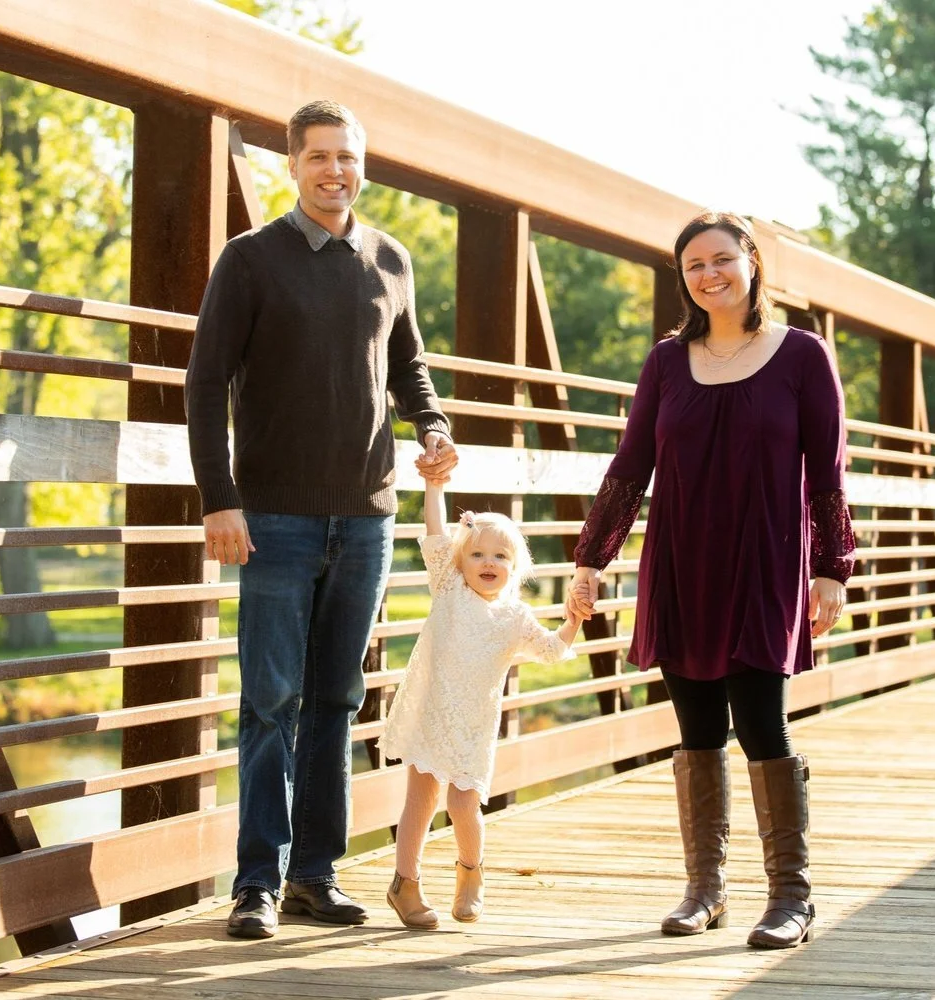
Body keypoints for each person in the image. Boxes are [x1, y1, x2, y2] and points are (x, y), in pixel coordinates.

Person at [185, 99, 459, 941]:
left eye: (347, 157)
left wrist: (434, 423)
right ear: (291, 166)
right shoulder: (250, 260)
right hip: (272, 519)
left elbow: (407, 363)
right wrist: (219, 498)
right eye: (318, 158)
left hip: (365, 519)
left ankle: (315, 875)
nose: (334, 170)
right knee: (270, 700)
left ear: (362, 165)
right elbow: (203, 383)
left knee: (336, 700)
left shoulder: (390, 258)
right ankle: (256, 883)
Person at [567, 211, 855, 949]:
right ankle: (705, 888)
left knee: (762, 722)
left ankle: (792, 895)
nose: (708, 275)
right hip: (682, 560)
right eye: (693, 265)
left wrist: (831, 568)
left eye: (721, 259)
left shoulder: (802, 356)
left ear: (753, 262)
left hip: (762, 562)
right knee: (697, 727)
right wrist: (592, 556)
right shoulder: (667, 362)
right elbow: (632, 464)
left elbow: (826, 471)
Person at [377, 472, 583, 929]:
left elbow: (551, 650)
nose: (487, 562)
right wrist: (434, 488)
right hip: (432, 715)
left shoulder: (515, 617)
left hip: (473, 726)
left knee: (464, 805)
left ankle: (471, 873)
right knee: (421, 801)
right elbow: (434, 533)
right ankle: (404, 883)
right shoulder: (448, 589)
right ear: (460, 560)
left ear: (515, 566)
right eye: (477, 554)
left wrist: (572, 619)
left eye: (500, 556)